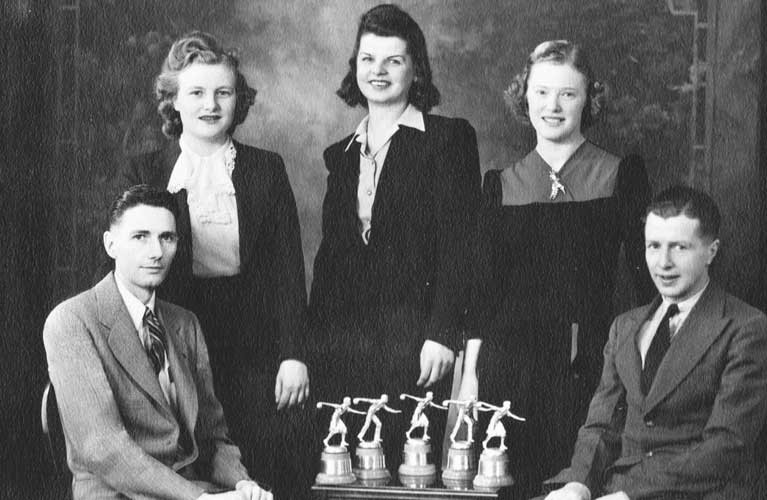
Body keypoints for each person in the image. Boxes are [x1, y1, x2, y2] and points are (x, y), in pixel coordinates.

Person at [120, 32, 310, 498]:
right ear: (174, 101)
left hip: (255, 343)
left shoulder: (266, 169)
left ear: (238, 100)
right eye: (197, 93)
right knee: (187, 461)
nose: (211, 104)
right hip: (175, 336)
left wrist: (293, 353)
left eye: (223, 92)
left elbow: (287, 270)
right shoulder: (146, 171)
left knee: (256, 467)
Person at [461, 40, 654, 496]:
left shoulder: (619, 176)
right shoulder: (501, 185)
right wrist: (471, 377)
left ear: (589, 99)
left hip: (586, 367)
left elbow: (647, 286)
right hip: (506, 367)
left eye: (568, 94)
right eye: (542, 92)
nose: (553, 105)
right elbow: (481, 293)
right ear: (524, 96)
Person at [308, 3, 481, 471]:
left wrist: (443, 333)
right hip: (343, 339)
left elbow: (459, 245)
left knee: (411, 465)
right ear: (355, 68)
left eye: (393, 61)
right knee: (348, 466)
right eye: (367, 59)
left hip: (416, 338)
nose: (378, 71)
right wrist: (309, 344)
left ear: (416, 69)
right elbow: (330, 260)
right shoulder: (340, 155)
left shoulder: (448, 139)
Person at [43, 185, 272, 500]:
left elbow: (213, 437)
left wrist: (243, 484)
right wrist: (199, 499)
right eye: (140, 237)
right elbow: (104, 448)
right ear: (111, 245)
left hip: (195, 490)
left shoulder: (185, 323)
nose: (156, 252)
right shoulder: (71, 320)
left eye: (167, 238)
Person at [542, 185, 767, 499]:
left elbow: (726, 446)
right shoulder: (625, 326)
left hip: (698, 491)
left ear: (711, 251)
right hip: (614, 487)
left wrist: (631, 495)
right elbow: (602, 424)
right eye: (653, 246)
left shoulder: (747, 327)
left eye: (679, 247)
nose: (663, 263)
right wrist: (577, 484)